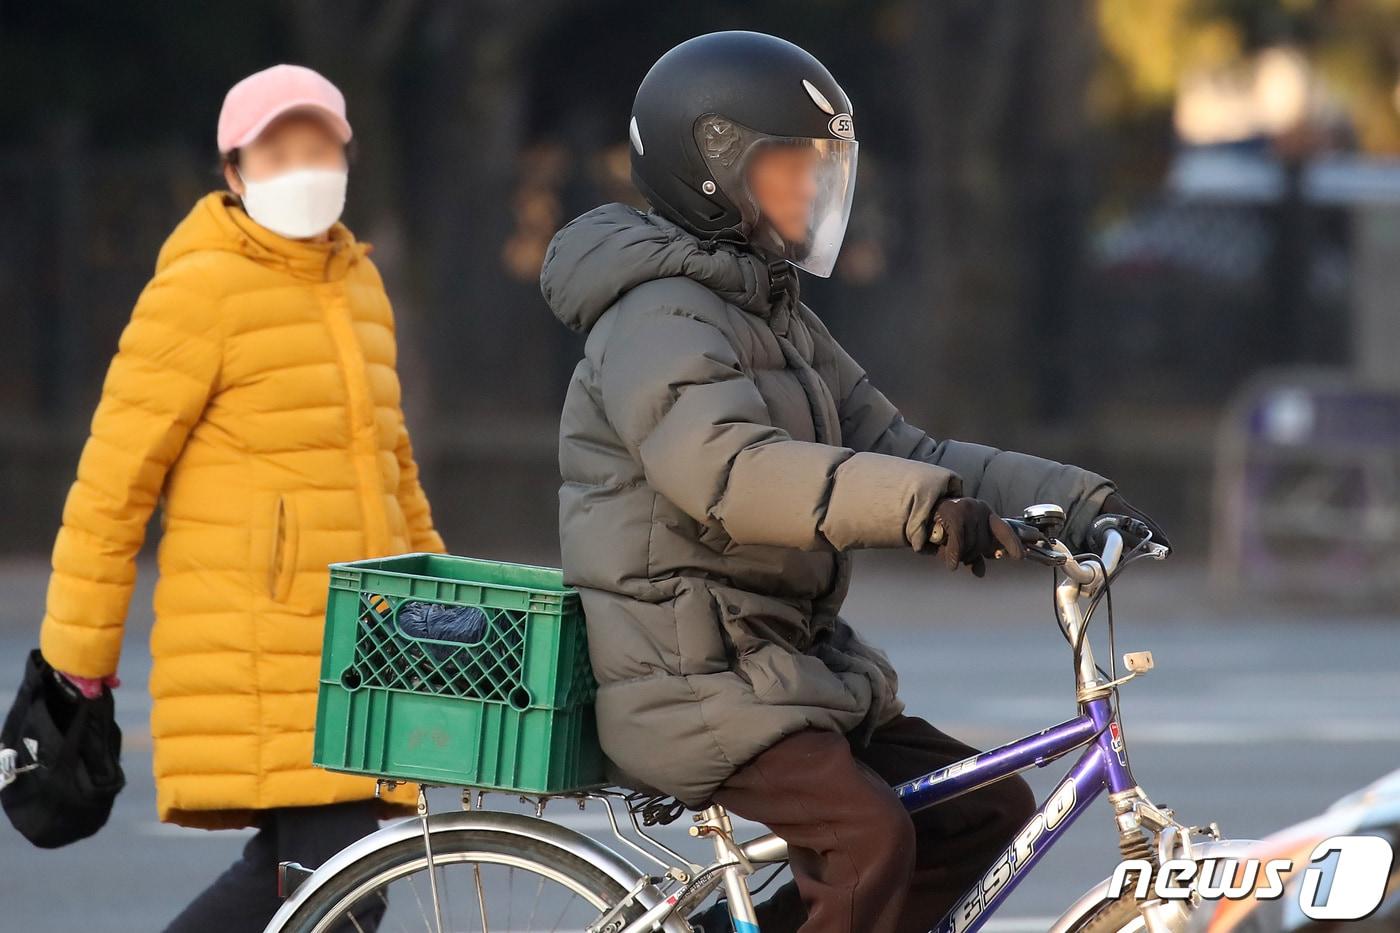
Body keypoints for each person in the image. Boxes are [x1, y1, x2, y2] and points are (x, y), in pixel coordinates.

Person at [540, 31, 1169, 933]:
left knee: (983, 812)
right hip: (689, 677)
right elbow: (733, 473)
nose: (812, 189)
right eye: (790, 165)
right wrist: (919, 511)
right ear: (712, 168)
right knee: (868, 837)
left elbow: (900, 442)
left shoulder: (768, 310)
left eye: (819, 167)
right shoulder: (656, 319)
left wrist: (1081, 500)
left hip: (778, 668)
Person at [37, 63, 444, 932]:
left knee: (317, 883)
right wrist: (77, 660)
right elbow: (113, 482)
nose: (304, 166)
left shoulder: (359, 283)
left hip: (359, 644)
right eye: (278, 150)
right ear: (233, 171)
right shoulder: (199, 288)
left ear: (348, 156)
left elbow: (393, 466)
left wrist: (444, 608)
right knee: (337, 887)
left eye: (320, 146)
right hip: (264, 644)